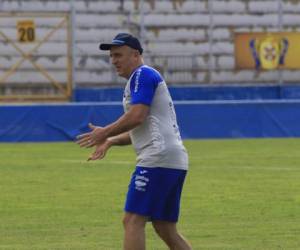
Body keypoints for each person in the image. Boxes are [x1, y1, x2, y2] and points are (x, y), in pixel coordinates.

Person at [76, 33, 192, 250]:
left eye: (118, 55)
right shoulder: (141, 80)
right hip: (172, 159)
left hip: (157, 158)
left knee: (132, 221)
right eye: (111, 56)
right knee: (165, 227)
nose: (114, 61)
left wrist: (104, 133)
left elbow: (136, 116)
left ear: (136, 54)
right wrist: (110, 140)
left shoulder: (142, 75)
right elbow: (141, 129)